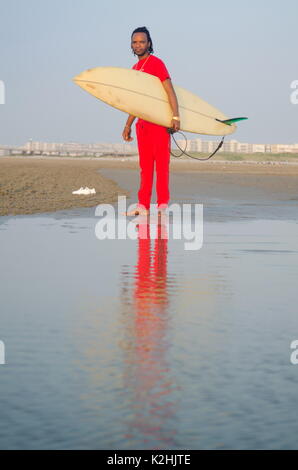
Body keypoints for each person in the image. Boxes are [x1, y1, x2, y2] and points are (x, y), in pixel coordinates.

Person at [122, 26, 180, 216]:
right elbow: (136, 102)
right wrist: (128, 124)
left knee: (161, 165)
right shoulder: (135, 69)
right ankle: (143, 206)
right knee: (145, 167)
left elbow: (170, 91)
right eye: (135, 42)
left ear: (149, 43)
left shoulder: (156, 64)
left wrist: (175, 116)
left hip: (159, 123)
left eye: (142, 41)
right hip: (143, 124)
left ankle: (163, 204)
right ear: (131, 45)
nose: (138, 45)